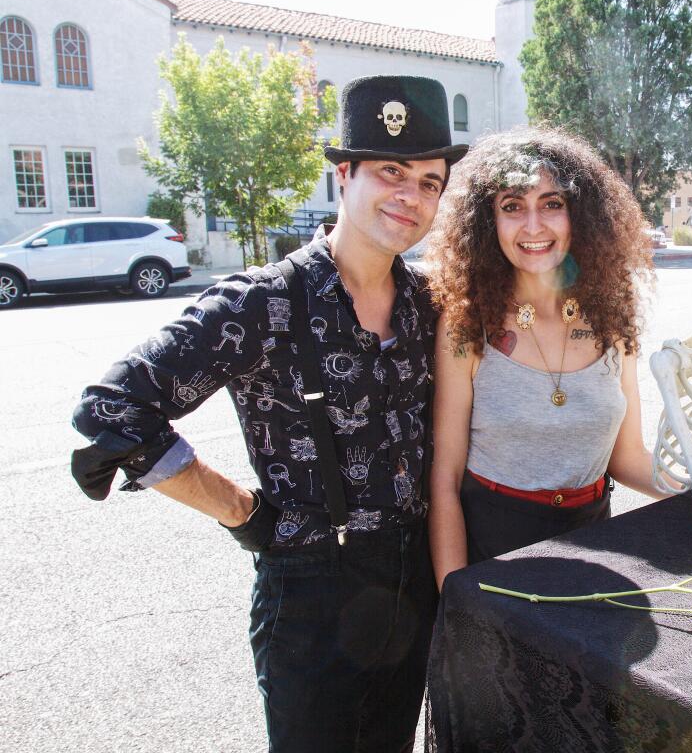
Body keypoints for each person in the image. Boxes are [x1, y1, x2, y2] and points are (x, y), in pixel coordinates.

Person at [69, 75, 466, 752]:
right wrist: (241, 513)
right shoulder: (262, 303)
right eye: (391, 171)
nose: (412, 195)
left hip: (413, 582)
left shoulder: (430, 302)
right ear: (344, 174)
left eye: (430, 182)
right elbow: (113, 409)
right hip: (312, 590)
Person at [425, 128, 669, 589]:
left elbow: (629, 460)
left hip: (600, 549)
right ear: (486, 222)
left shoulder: (614, 321)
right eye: (512, 206)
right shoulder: (465, 326)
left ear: (582, 216)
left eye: (552, 204)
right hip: (496, 556)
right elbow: (445, 477)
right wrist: (455, 597)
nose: (533, 226)